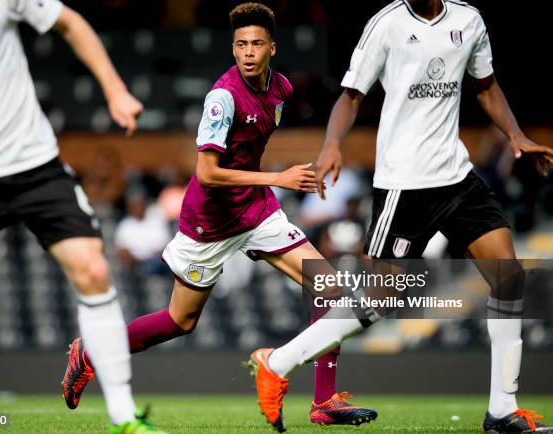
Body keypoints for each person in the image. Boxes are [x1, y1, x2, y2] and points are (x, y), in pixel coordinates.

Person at [62, 2, 377, 428]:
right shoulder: (222, 98)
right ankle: (92, 352)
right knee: (180, 320)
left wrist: (286, 177)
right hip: (208, 223)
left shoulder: (280, 90)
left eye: (256, 44)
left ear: (272, 48)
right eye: (241, 45)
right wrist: (278, 178)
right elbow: (207, 173)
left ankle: (324, 402)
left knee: (328, 287)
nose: (248, 52)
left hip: (257, 210)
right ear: (233, 49)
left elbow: (251, 150)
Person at [245, 0, 553, 432]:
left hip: (456, 177)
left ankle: (502, 409)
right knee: (379, 301)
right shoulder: (386, 24)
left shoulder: (468, 19)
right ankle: (276, 362)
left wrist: (517, 135)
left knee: (509, 277)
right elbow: (351, 96)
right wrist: (332, 144)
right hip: (404, 185)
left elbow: (486, 86)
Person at [0, 1, 165, 433]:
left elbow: (69, 22)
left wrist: (115, 89)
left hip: (31, 165)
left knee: (94, 269)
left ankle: (124, 417)